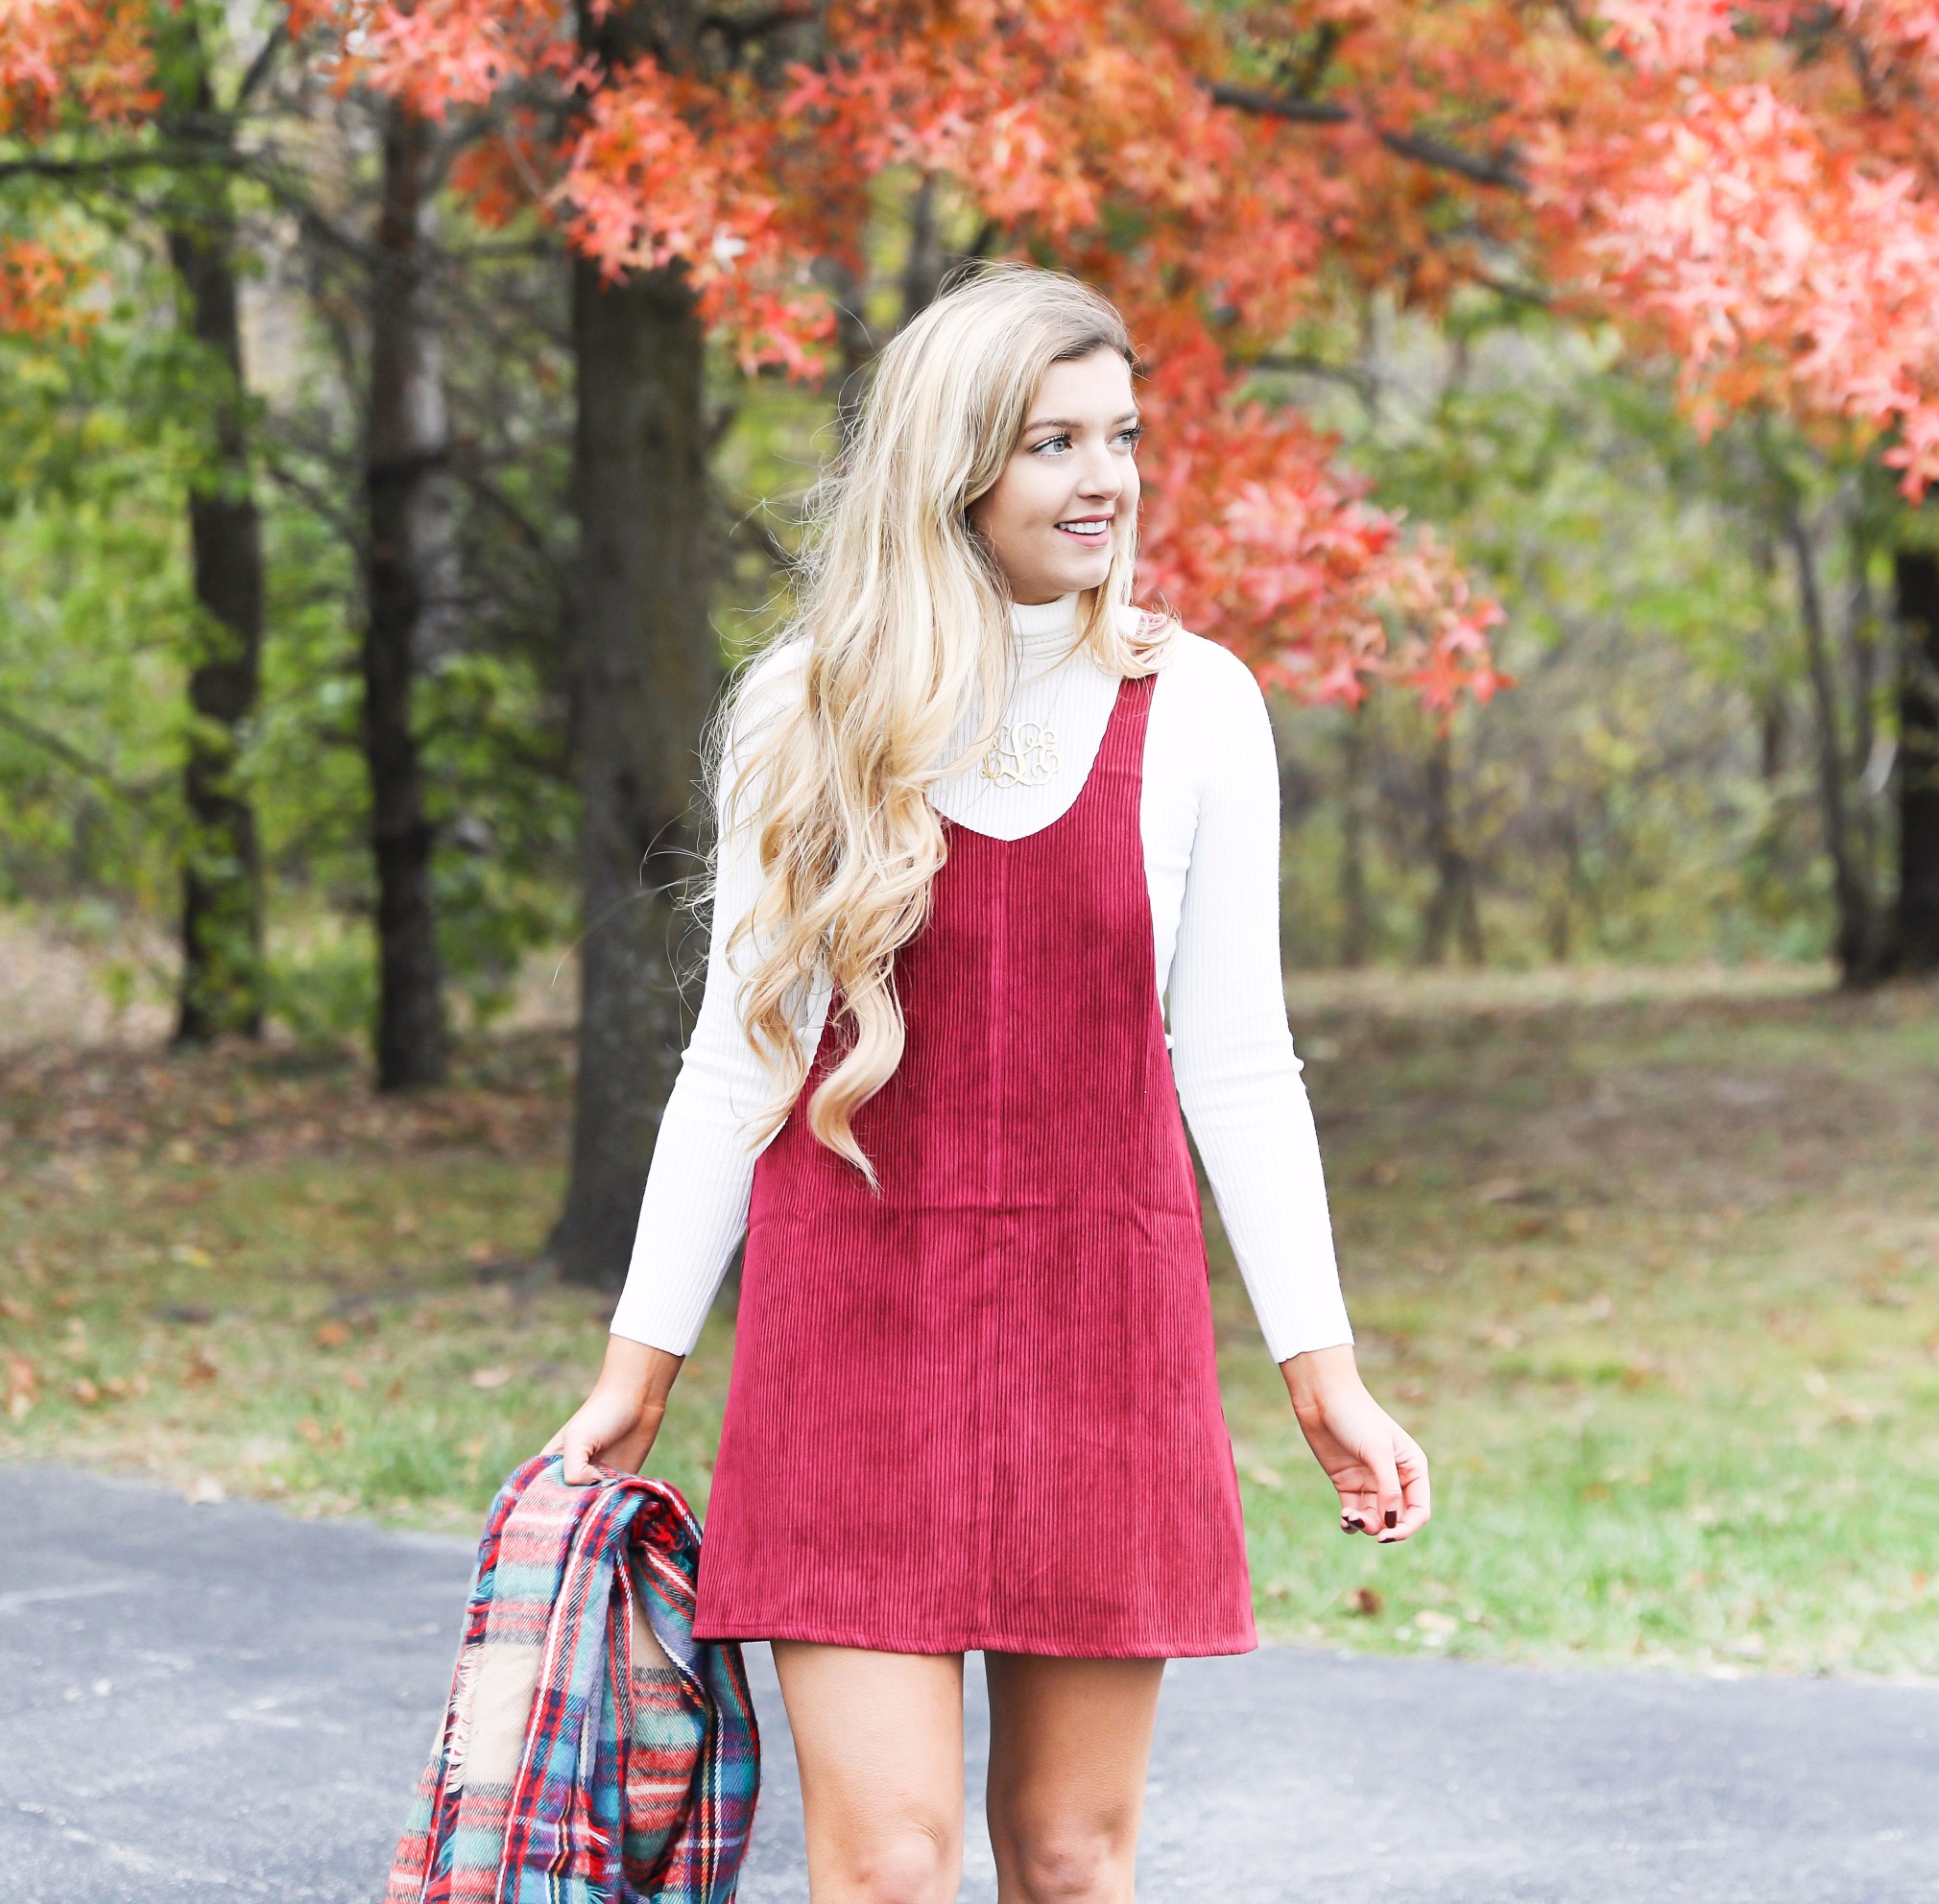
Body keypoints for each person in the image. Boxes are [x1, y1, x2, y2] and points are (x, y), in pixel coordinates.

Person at [546, 264, 1429, 1904]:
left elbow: (1239, 1061)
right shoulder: (804, 707)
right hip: (852, 1340)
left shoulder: (1199, 706)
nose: (1106, 481)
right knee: (886, 1863)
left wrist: (1324, 1371)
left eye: (1123, 438)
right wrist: (640, 1364)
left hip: (1103, 1332)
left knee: (1071, 1858)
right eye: (1052, 444)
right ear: (953, 467)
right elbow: (738, 1056)